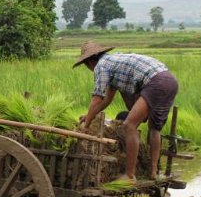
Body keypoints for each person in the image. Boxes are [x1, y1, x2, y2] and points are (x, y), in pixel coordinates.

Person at [74, 41, 179, 182]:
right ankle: (153, 171)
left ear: (89, 62)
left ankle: (129, 175)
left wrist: (86, 125)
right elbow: (106, 100)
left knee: (129, 125)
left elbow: (97, 98)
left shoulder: (101, 66)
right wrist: (89, 116)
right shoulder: (114, 62)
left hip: (156, 83)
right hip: (170, 81)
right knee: (154, 129)